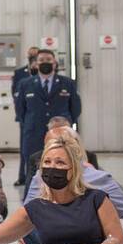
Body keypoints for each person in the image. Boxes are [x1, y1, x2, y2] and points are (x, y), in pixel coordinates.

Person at [14, 49, 81, 185]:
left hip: (61, 135)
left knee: (63, 168)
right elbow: (20, 110)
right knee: (32, 173)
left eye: (48, 60)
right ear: (36, 64)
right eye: (42, 60)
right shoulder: (25, 84)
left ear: (55, 63)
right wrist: (29, 123)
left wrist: (65, 125)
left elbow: (76, 108)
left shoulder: (67, 83)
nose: (45, 63)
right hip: (33, 134)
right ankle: (31, 202)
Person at [12, 46, 41, 185]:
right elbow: (15, 93)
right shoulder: (19, 73)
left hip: (40, 115)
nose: (33, 55)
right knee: (25, 147)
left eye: (35, 53)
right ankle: (22, 176)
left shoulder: (45, 71)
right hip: (26, 115)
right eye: (31, 53)